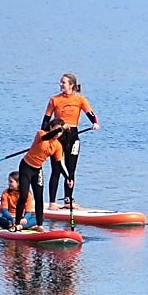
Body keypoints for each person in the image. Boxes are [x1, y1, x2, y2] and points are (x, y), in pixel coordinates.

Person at [42, 73, 99, 209]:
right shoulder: (54, 100)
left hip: (73, 136)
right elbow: (45, 121)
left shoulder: (80, 99)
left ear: (71, 85)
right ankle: (52, 203)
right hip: (57, 136)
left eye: (64, 82)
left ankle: (68, 200)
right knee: (56, 169)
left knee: (70, 169)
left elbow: (90, 114)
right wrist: (46, 135)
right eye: (61, 82)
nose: (61, 84)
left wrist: (95, 123)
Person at [14, 119, 71, 231]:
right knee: (24, 195)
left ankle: (39, 225)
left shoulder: (58, 146)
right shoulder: (41, 134)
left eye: (60, 132)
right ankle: (17, 223)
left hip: (37, 170)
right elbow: (46, 137)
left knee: (39, 198)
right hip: (26, 166)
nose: (58, 134)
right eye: (56, 130)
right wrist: (61, 128)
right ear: (51, 127)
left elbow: (60, 163)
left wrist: (68, 177)